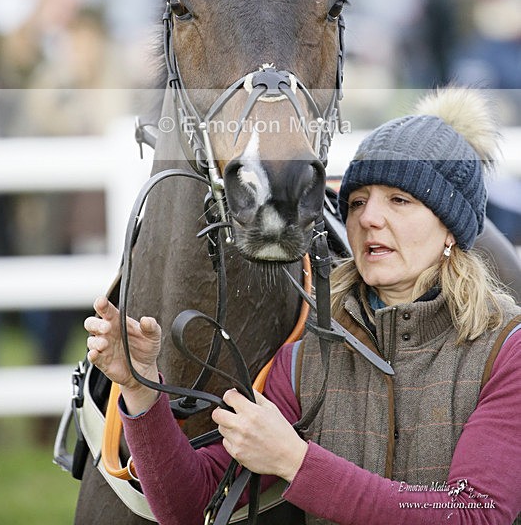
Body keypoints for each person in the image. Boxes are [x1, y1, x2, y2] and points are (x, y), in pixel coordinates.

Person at [84, 87, 521, 524]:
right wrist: (140, 388)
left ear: (451, 228)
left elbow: (476, 514)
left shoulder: (506, 351)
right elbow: (190, 507)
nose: (368, 218)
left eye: (399, 200)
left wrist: (295, 461)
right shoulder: (302, 362)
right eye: (357, 202)